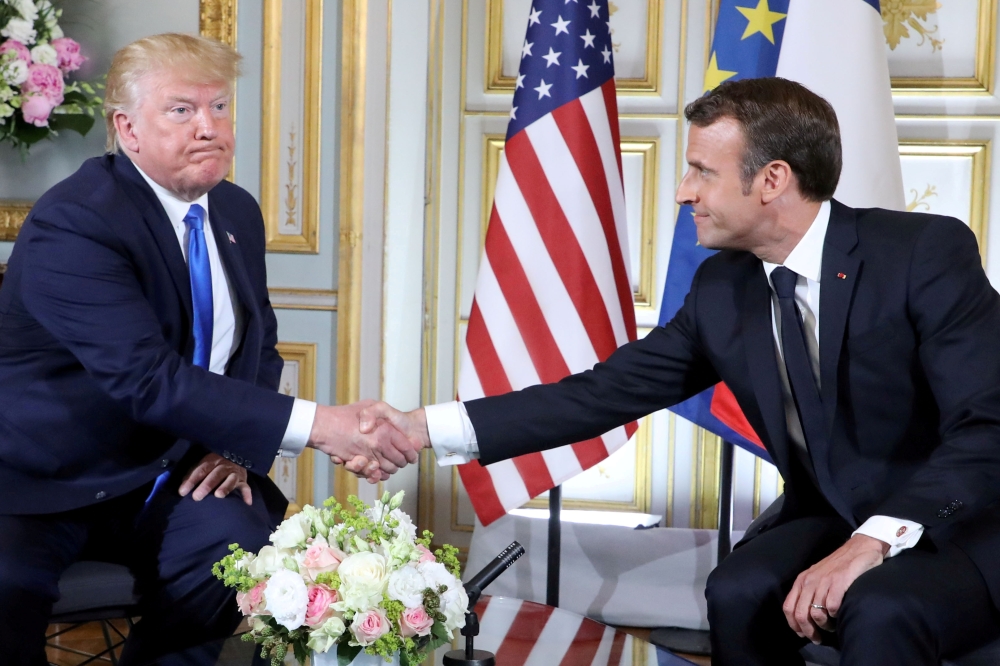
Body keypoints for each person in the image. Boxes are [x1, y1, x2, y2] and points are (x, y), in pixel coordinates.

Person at [358, 77, 1000, 665]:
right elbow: (600, 395)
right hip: (833, 510)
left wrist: (871, 544)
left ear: (772, 179)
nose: (683, 191)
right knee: (737, 591)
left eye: (701, 171)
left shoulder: (922, 254)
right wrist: (419, 428)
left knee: (880, 607)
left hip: (957, 520)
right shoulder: (725, 287)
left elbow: (986, 427)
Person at [0, 33, 407, 666]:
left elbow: (258, 346)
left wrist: (237, 447)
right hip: (42, 479)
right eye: (182, 109)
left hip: (166, 473)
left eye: (219, 107)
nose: (208, 127)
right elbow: (148, 380)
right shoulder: (76, 221)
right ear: (127, 128)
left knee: (240, 547)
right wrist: (324, 426)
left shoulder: (235, 211)